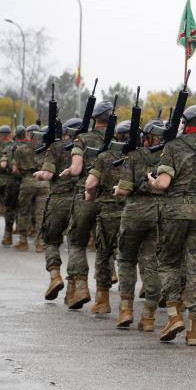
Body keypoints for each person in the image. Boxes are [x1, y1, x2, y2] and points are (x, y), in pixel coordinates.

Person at [148, 105, 196, 346]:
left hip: (175, 211)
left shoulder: (173, 147)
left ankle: (173, 315)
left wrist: (151, 181)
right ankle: (194, 330)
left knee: (169, 262)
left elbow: (163, 183)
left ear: (185, 122)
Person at [113, 120, 165, 330]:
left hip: (135, 211)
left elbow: (124, 189)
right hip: (158, 212)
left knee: (126, 259)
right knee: (151, 262)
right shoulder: (168, 156)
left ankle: (125, 309)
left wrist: (117, 190)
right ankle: (149, 316)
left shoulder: (133, 156)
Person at [62, 100, 111, 310]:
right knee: (104, 249)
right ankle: (103, 298)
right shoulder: (118, 140)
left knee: (77, 243)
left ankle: (81, 287)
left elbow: (75, 168)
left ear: (94, 118)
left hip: (85, 195)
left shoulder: (82, 139)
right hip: (109, 199)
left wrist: (66, 172)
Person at [83, 121, 130, 314]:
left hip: (108, 213)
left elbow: (91, 184)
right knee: (131, 259)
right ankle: (129, 307)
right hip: (134, 212)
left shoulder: (104, 157)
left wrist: (90, 197)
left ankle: (102, 300)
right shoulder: (143, 156)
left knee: (104, 255)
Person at [34, 119, 81, 302]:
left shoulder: (57, 147)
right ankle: (72, 291)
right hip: (79, 201)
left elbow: (48, 174)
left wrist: (39, 174)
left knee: (51, 241)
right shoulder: (86, 148)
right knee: (76, 246)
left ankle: (55, 276)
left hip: (58, 201)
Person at [11, 124, 49, 251]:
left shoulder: (20, 149)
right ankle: (40, 242)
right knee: (41, 213)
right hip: (44, 182)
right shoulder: (46, 148)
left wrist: (23, 173)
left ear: (28, 134)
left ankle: (23, 241)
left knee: (23, 211)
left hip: (27, 181)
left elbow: (15, 169)